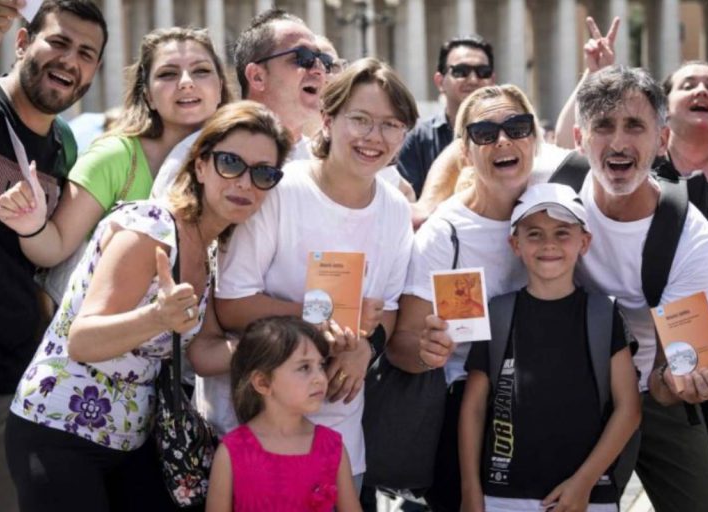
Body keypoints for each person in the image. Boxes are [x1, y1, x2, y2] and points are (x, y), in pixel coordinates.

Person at [2, 101, 292, 512]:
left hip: (133, 441)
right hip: (59, 430)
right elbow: (83, 340)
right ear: (202, 165)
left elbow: (204, 350)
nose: (245, 182)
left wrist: (285, 344)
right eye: (231, 163)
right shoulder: (150, 230)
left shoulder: (209, 251)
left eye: (264, 173)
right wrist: (156, 317)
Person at [207, 58, 418, 490]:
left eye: (391, 125)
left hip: (340, 441)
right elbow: (230, 306)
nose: (373, 138)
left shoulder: (396, 209)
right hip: (253, 431)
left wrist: (366, 349)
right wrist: (317, 320)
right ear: (327, 118)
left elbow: (388, 310)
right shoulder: (281, 191)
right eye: (359, 120)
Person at [572, 65, 708, 512]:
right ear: (579, 138)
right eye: (603, 126)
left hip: (652, 392)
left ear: (662, 141)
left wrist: (684, 381)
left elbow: (671, 370)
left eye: (635, 126)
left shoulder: (691, 237)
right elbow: (470, 154)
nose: (619, 142)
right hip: (572, 390)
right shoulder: (552, 190)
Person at [0, 1, 107, 510]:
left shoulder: (66, 148)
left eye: (86, 53)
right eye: (59, 42)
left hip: (14, 396)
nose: (71, 60)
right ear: (23, 43)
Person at [386, 84, 541, 512]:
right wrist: (426, 351)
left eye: (517, 126)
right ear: (465, 151)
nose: (503, 140)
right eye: (485, 133)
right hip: (466, 413)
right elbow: (402, 344)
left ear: (535, 137)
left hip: (546, 401)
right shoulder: (444, 232)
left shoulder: (555, 207)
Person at [0, 26, 229, 304]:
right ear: (149, 96)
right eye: (168, 74)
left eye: (201, 71)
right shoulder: (115, 157)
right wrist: (31, 224)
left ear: (220, 88)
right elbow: (54, 247)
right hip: (110, 332)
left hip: (195, 335)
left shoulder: (240, 160)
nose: (186, 82)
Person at [459, 183, 641, 512]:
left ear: (584, 242)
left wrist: (584, 482)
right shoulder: (498, 314)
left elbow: (629, 409)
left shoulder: (603, 313)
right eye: (534, 234)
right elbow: (472, 409)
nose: (548, 245)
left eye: (562, 233)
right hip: (502, 497)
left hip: (586, 498)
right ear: (514, 244)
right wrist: (471, 490)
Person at [151, 8, 329, 197]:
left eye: (323, 60)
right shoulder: (195, 156)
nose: (319, 69)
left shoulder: (325, 163)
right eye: (303, 58)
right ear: (257, 77)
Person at [206, 316, 362, 512]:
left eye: (320, 365)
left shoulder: (331, 446)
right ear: (263, 383)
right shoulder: (232, 451)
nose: (320, 378)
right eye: (304, 367)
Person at [661, 60, 708, 456]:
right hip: (645, 324)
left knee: (696, 443)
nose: (702, 91)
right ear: (665, 104)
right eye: (688, 84)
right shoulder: (643, 169)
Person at [397, 35, 494, 197]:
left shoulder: (508, 137)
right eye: (460, 71)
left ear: (492, 80)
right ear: (440, 81)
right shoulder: (417, 139)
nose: (473, 79)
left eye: (483, 72)